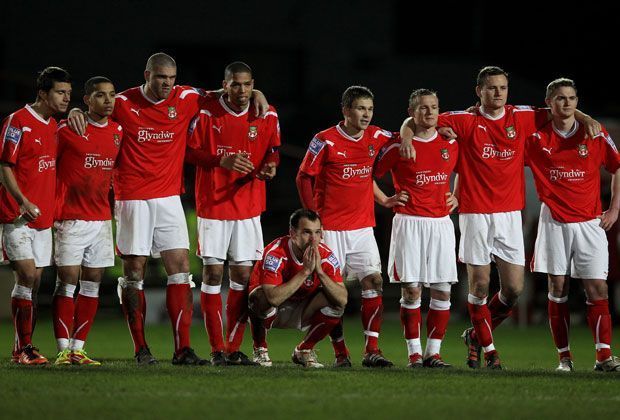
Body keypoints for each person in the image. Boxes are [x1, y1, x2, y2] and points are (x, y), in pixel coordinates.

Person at [68, 53, 269, 365]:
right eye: (161, 77)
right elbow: (97, 109)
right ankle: (141, 349)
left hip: (169, 198)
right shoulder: (123, 102)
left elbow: (226, 93)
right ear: (147, 74)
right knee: (134, 272)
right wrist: (77, 111)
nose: (167, 84)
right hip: (132, 196)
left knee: (181, 271)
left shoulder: (186, 97)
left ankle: (183, 349)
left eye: (172, 78)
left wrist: (256, 92)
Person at [400, 66, 600, 369]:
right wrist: (404, 136)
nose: (498, 93)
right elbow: (417, 119)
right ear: (479, 91)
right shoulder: (466, 120)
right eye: (492, 88)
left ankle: (476, 335)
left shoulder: (521, 116)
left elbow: (561, 108)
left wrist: (585, 118)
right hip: (475, 213)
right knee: (479, 286)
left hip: (509, 215)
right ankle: (489, 350)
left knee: (513, 289)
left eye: (503, 88)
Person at [296, 86, 402, 367]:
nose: (366, 114)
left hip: (363, 227)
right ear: (345, 110)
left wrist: (385, 199)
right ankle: (339, 353)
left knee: (374, 281)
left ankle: (372, 351)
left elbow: (401, 140)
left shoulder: (376, 136)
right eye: (360, 108)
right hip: (331, 229)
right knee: (334, 294)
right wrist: (313, 222)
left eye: (369, 109)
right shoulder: (325, 140)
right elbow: (303, 177)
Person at [186, 61, 280, 366]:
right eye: (235, 85)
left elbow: (274, 149)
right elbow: (188, 151)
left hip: (249, 207)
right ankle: (216, 348)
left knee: (241, 276)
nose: (242, 91)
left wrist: (270, 167)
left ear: (254, 85)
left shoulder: (267, 113)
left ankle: (233, 347)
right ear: (224, 85)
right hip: (213, 205)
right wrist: (220, 161)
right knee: (213, 274)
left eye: (248, 85)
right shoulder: (206, 111)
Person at [526, 78, 620, 372]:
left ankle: (603, 356)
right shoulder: (535, 137)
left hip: (590, 222)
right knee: (558, 286)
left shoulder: (595, 133)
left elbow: (617, 167)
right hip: (554, 221)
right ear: (549, 103)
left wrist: (615, 208)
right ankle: (564, 358)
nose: (566, 103)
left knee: (598, 289)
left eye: (571, 98)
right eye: (559, 98)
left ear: (577, 101)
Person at [374, 89, 458, 368]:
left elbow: (470, 170)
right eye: (423, 108)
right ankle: (414, 354)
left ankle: (434, 353)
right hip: (409, 222)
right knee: (411, 291)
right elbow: (367, 175)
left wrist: (458, 195)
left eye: (434, 107)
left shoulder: (451, 142)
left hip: (440, 224)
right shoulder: (398, 146)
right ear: (411, 113)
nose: (430, 112)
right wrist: (386, 199)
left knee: (442, 290)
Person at [0, 66, 72, 364]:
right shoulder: (17, 122)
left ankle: (25, 346)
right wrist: (22, 201)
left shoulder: (56, 126)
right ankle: (23, 349)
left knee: (36, 281)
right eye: (60, 92)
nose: (66, 98)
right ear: (43, 93)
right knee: (27, 275)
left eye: (68, 93)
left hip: (44, 219)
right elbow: (4, 166)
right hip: (16, 216)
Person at [52, 76, 122, 366]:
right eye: (100, 95)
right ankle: (62, 350)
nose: (108, 101)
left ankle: (78, 349)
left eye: (112, 95)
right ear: (87, 100)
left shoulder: (119, 131)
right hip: (70, 218)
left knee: (92, 281)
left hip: (100, 220)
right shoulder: (67, 130)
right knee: (67, 280)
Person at [247, 208, 347, 368]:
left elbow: (343, 299)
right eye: (307, 232)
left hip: (302, 306)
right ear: (293, 234)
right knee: (258, 297)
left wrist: (320, 272)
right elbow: (273, 298)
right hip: (272, 310)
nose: (313, 239)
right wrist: (306, 271)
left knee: (335, 302)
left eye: (317, 232)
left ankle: (304, 350)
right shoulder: (276, 252)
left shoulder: (326, 255)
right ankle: (260, 348)